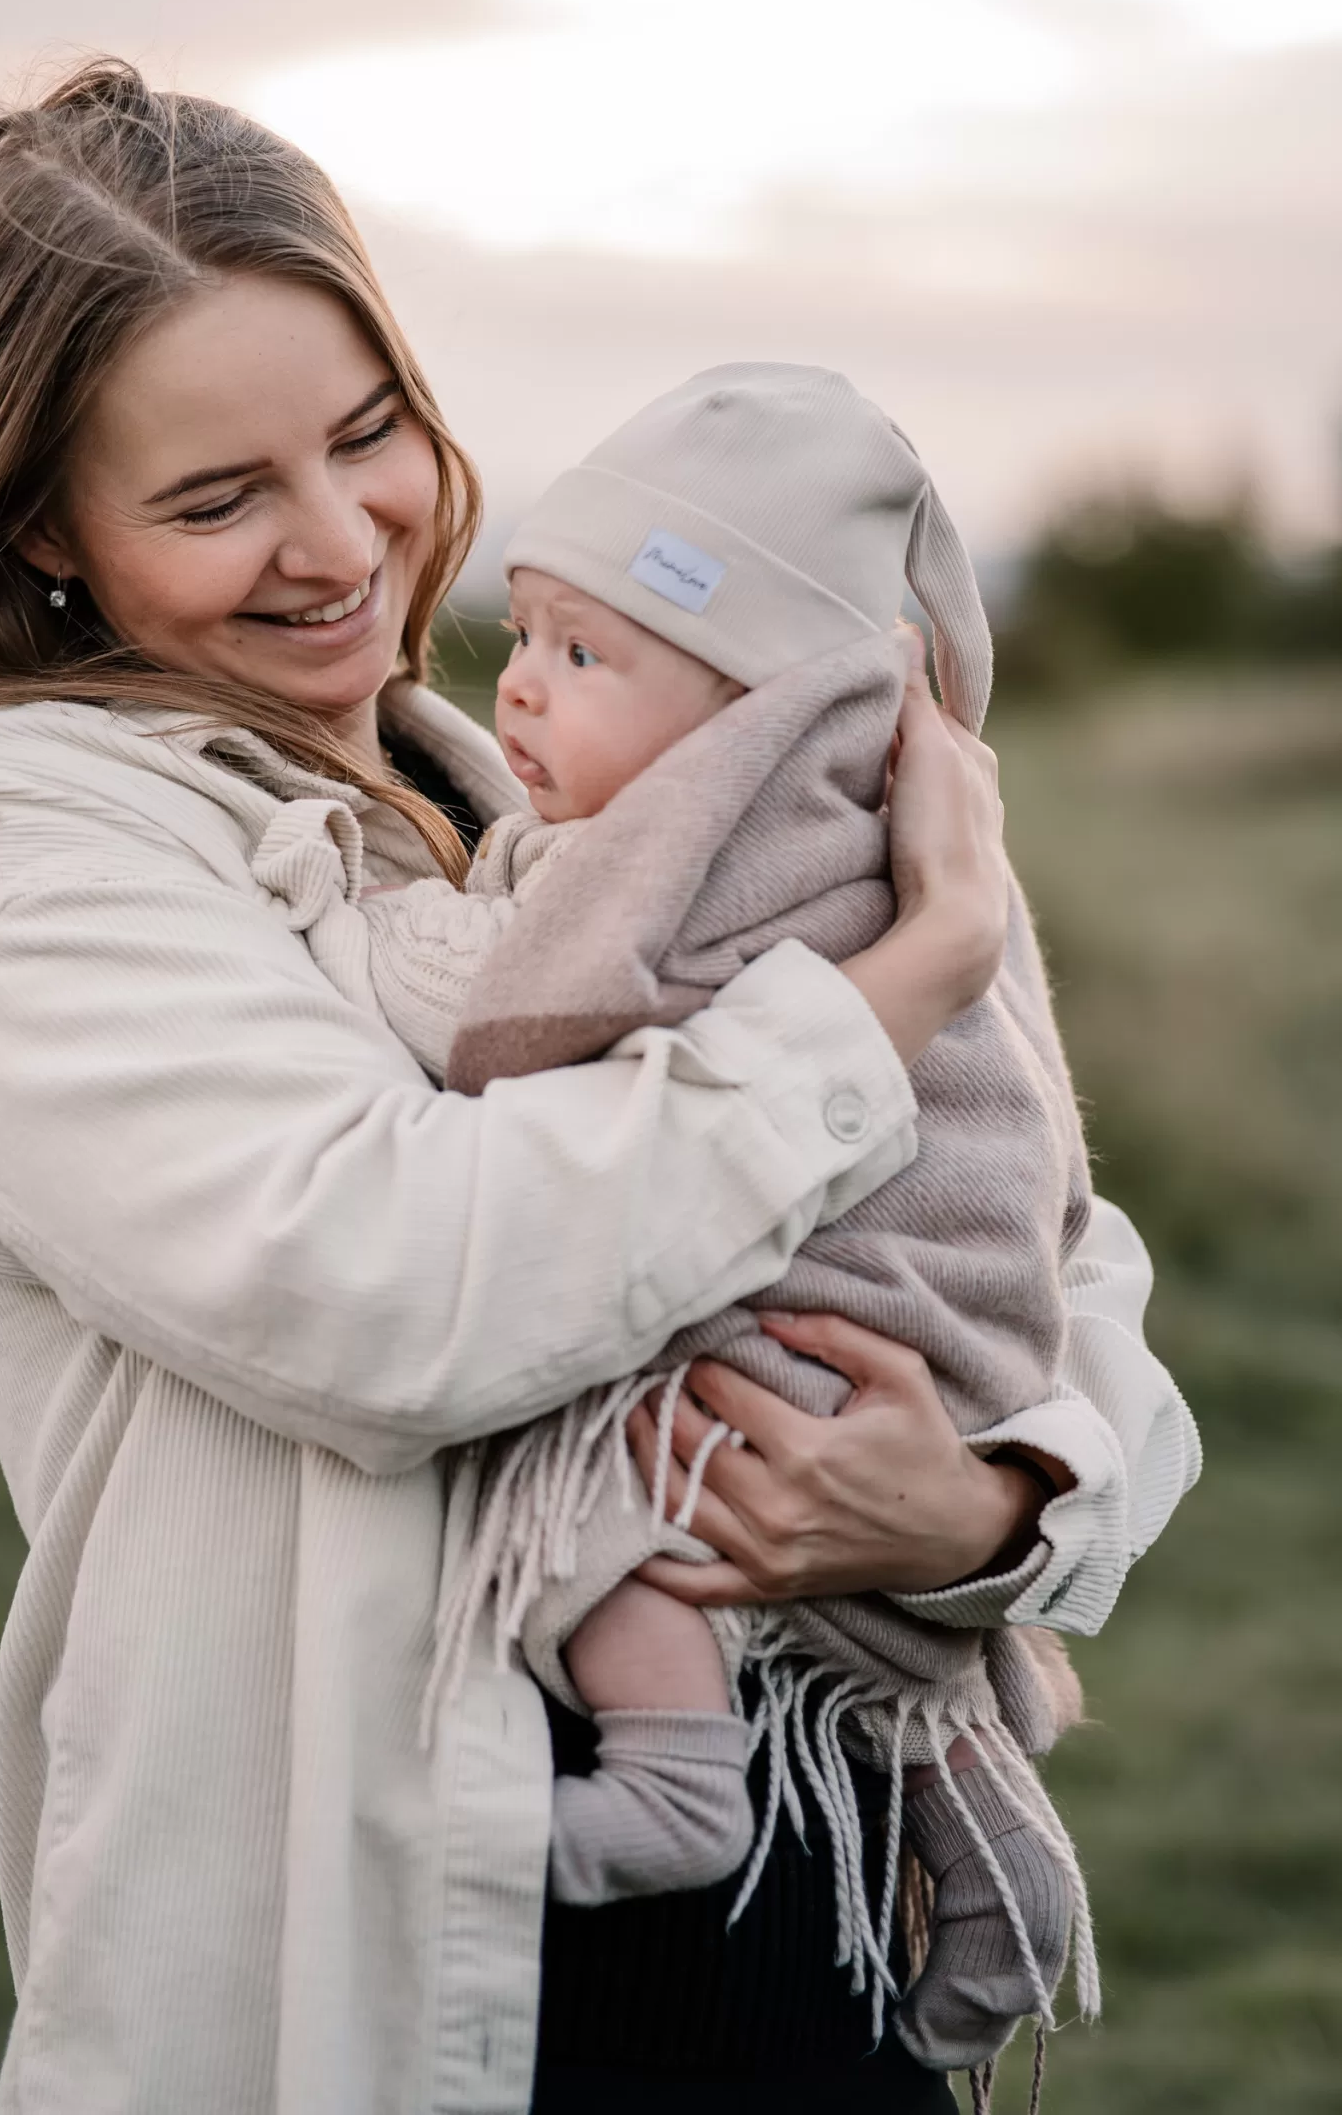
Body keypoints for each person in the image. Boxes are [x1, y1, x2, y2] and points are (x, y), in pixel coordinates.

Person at [0, 59, 1200, 2115]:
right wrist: (890, 988)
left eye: (365, 433)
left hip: (783, 1908)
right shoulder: (31, 842)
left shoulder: (499, 782)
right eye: (212, 499)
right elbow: (391, 1284)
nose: (335, 539)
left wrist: (992, 1495)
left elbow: (1035, 1225)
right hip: (417, 1964)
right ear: (45, 527)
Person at [248, 361, 1099, 2081]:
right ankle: (990, 1853)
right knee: (866, 1652)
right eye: (528, 637)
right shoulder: (897, 867)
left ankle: (672, 1777)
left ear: (752, 726)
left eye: (584, 656)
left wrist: (331, 920)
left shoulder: (691, 851)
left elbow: (498, 1007)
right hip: (949, 1359)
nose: (523, 689)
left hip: (821, 1332)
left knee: (623, 1495)